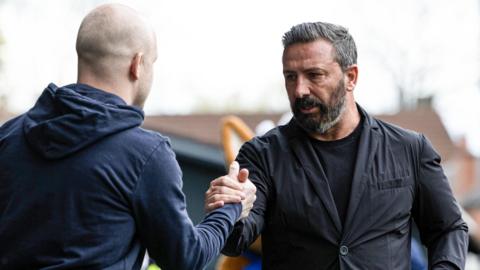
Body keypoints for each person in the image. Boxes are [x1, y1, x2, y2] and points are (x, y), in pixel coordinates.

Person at [0, 4, 256, 270]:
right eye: (152, 63)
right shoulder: (145, 154)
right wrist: (230, 207)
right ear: (137, 64)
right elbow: (186, 259)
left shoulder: (8, 137)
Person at [205, 22, 468, 269]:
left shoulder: (409, 149)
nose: (299, 90)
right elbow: (237, 239)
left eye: (314, 75)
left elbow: (448, 229)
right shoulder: (262, 155)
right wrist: (230, 208)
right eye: (290, 77)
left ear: (350, 77)